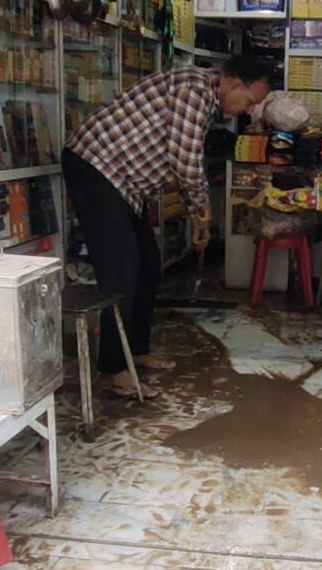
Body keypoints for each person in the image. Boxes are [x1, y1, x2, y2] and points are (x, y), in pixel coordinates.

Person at [62, 56, 273, 398]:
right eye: (249, 101)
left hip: (123, 183)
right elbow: (185, 160)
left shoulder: (205, 100)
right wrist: (202, 208)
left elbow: (181, 160)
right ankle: (116, 369)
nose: (246, 110)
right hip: (94, 167)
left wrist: (196, 214)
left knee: (147, 260)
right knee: (122, 269)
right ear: (233, 83)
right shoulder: (194, 89)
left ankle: (137, 350)